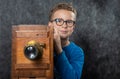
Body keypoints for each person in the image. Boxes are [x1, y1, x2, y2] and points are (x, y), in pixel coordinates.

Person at [48, 2, 84, 79]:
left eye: (69, 22)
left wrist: (59, 49)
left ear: (73, 27)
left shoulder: (77, 52)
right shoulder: (40, 45)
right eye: (59, 21)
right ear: (50, 25)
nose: (64, 26)